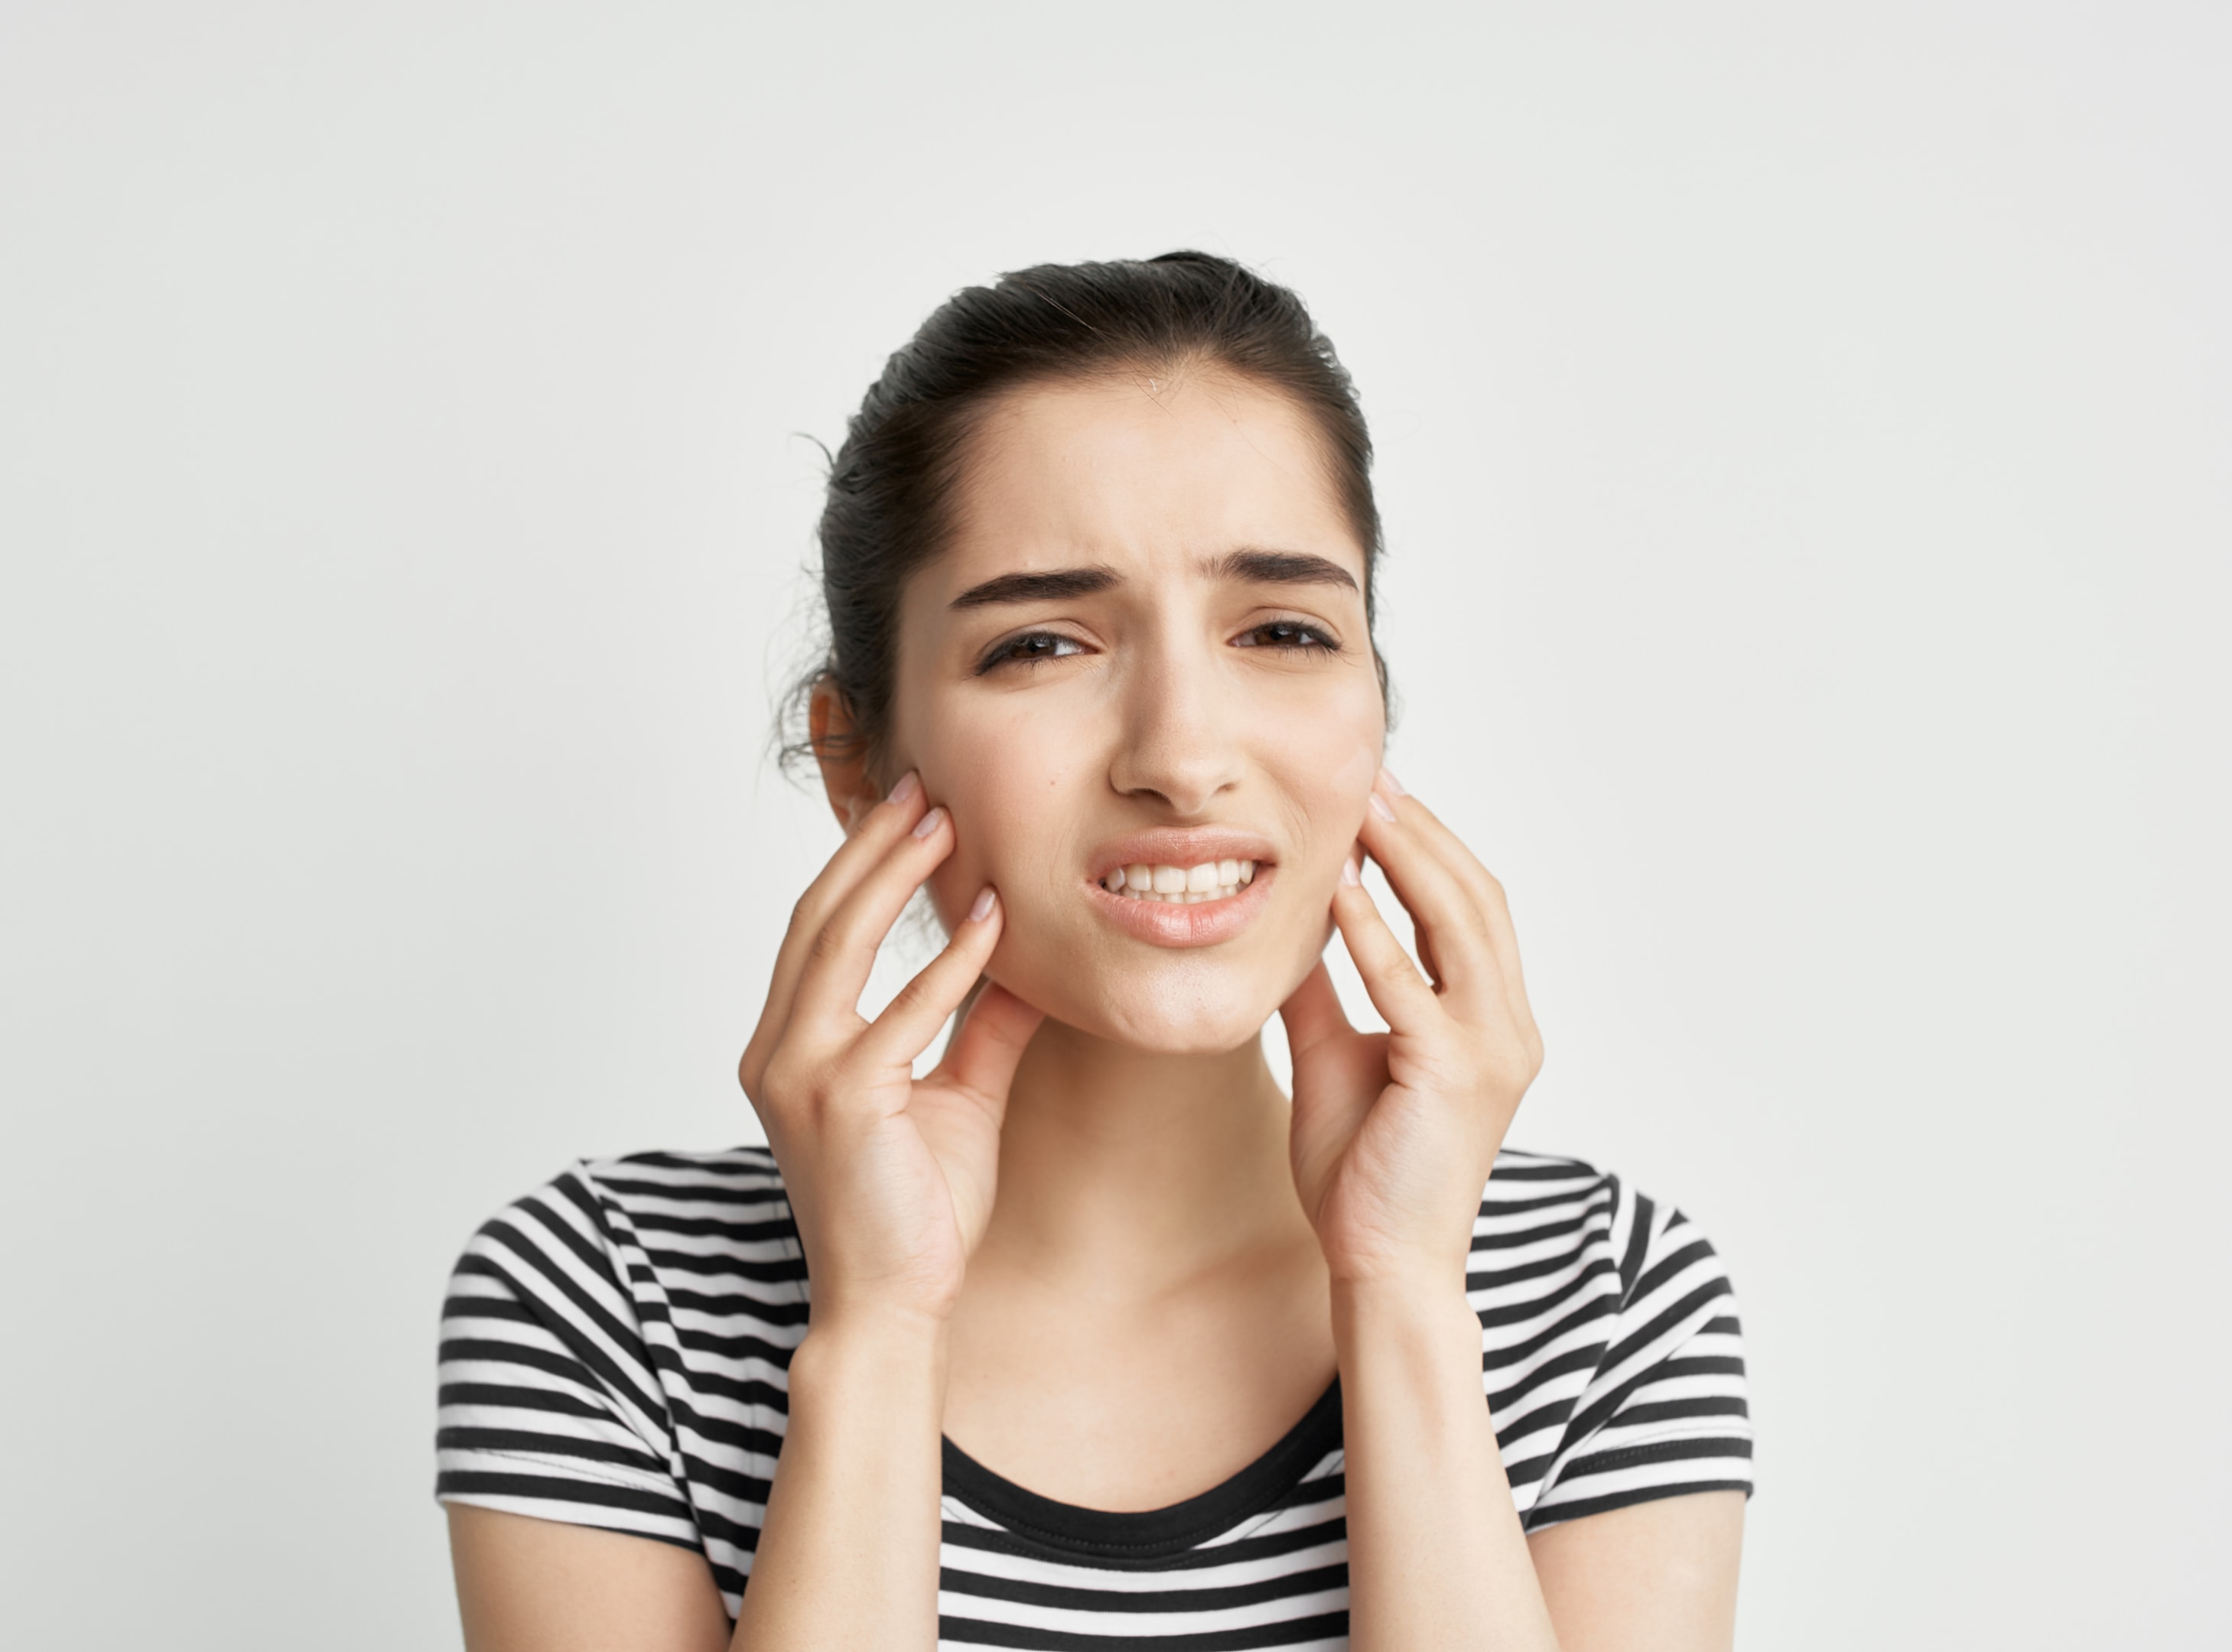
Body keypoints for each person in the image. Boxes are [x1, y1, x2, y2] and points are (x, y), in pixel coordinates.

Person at [434, 253, 1752, 1650]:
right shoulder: (603, 1302)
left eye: (1285, 629)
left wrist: (1404, 1293)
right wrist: (878, 1327)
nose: (1182, 757)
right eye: (1045, 644)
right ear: (860, 758)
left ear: (1371, 706)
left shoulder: (1605, 1300)